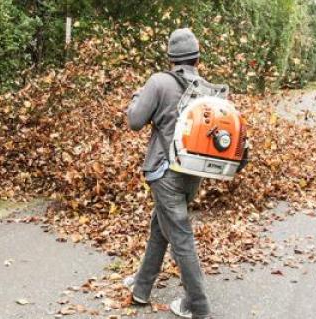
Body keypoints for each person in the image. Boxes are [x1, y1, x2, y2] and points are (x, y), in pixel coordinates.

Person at [126, 28, 211, 319]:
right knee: (160, 227)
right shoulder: (206, 87)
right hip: (193, 173)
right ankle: (141, 287)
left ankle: (198, 306)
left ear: (170, 57)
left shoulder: (159, 82)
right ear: (197, 57)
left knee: (180, 236)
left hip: (165, 173)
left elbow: (134, 121)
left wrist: (138, 95)